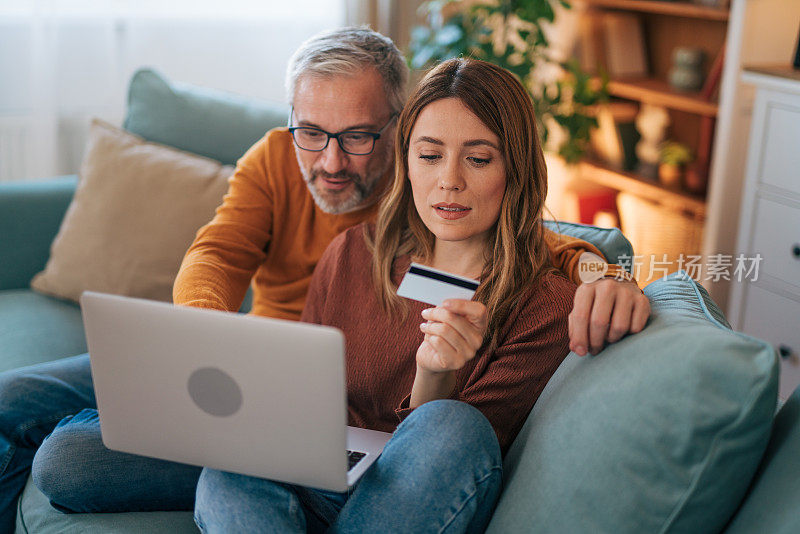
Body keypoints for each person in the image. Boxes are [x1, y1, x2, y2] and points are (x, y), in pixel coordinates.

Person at [0, 28, 647, 528]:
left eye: (358, 137)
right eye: (311, 133)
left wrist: (603, 270)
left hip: (396, 455)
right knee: (76, 452)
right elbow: (218, 254)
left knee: (447, 428)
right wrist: (202, 343)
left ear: (392, 133)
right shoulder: (348, 241)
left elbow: (539, 249)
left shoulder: (521, 277)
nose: (331, 161)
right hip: (267, 381)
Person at [194, 56, 577, 533]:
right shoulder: (356, 251)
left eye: (478, 159)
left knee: (454, 427)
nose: (449, 180)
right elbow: (304, 396)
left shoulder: (546, 306)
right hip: (319, 472)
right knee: (227, 466)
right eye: (430, 155)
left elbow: (449, 460)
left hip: (413, 494)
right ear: (407, 161)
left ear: (515, 169)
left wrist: (433, 377)